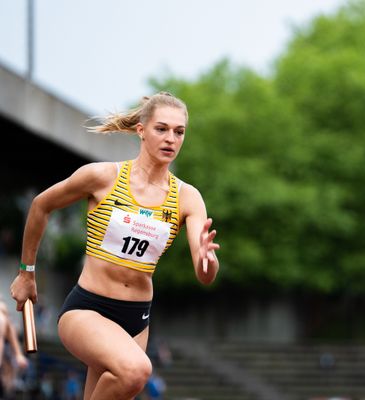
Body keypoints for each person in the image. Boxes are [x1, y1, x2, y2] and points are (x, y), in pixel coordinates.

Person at [9, 91, 220, 399]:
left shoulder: (188, 197)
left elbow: (204, 276)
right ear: (141, 130)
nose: (171, 138)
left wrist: (207, 261)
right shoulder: (102, 176)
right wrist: (27, 273)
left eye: (179, 132)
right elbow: (41, 206)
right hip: (87, 309)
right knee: (136, 370)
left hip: (137, 318)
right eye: (161, 129)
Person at [0, 298, 29, 399]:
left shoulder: (2, 311)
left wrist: (18, 354)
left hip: (4, 358)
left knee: (9, 373)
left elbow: (11, 331)